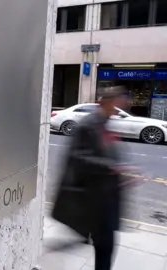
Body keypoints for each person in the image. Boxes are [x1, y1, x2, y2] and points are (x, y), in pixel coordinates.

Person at [51, 85, 133, 270]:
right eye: (117, 102)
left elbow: (106, 153)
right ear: (106, 102)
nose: (120, 107)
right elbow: (77, 157)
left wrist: (121, 170)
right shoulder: (89, 125)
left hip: (105, 197)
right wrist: (110, 166)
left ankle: (79, 237)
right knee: (105, 248)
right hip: (96, 200)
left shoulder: (104, 123)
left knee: (105, 246)